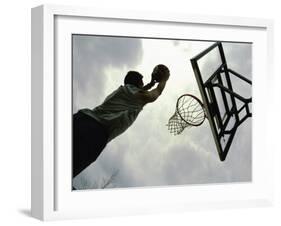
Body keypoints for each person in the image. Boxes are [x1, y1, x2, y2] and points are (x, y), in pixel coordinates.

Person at [73, 64, 170, 178]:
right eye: (142, 83)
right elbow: (155, 94)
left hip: (81, 121)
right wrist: (164, 80)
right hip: (93, 132)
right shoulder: (135, 94)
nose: (143, 85)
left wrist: (149, 85)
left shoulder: (124, 91)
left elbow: (139, 91)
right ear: (137, 84)